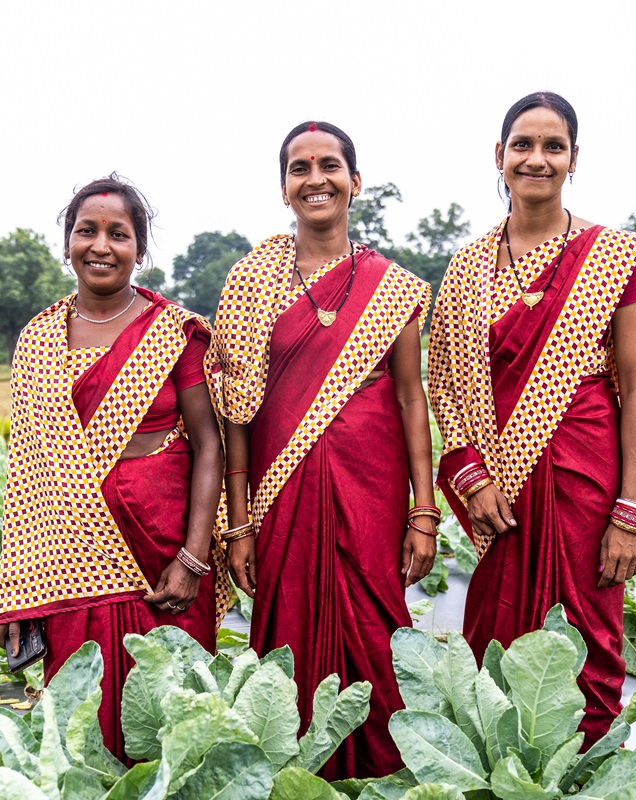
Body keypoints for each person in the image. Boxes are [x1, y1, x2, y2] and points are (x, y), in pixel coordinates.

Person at [427, 92, 636, 749]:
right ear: (498, 157)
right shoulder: (466, 268)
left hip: (585, 474)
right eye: (522, 145)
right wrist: (469, 477)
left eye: (552, 146)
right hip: (498, 489)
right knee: (496, 635)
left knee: (587, 630)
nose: (537, 159)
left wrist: (630, 512)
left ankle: (584, 769)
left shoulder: (614, 256)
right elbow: (443, 380)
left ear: (574, 159)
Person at [212, 121, 437, 780]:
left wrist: (424, 510)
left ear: (355, 181)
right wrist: (239, 520)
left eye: (330, 164)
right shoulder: (251, 283)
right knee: (289, 641)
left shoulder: (391, 286)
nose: (316, 178)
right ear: (284, 189)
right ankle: (298, 779)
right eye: (299, 168)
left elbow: (409, 398)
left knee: (376, 627)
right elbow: (235, 416)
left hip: (371, 487)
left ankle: (387, 777)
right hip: (282, 496)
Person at [0, 175, 227, 762]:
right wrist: (18, 594)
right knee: (83, 730)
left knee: (171, 718)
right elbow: (28, 472)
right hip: (73, 564)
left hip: (165, 554)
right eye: (86, 231)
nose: (101, 245)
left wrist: (193, 557)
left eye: (118, 234)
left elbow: (209, 445)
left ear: (139, 250)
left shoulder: (176, 331)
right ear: (67, 244)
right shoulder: (39, 339)